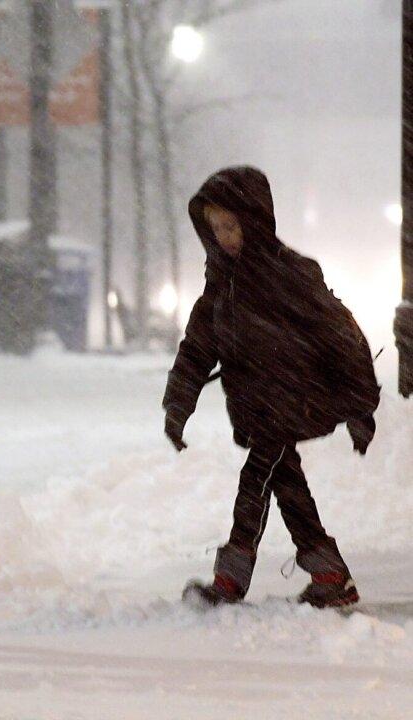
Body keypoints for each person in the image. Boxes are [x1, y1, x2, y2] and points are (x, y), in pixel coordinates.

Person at [163, 165, 380, 609]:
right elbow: (197, 348)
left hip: (295, 400)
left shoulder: (291, 275)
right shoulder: (220, 286)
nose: (223, 236)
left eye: (231, 225)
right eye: (215, 227)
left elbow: (343, 337)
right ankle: (329, 574)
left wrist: (359, 405)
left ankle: (230, 579)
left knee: (256, 481)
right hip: (259, 407)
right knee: (287, 486)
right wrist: (178, 403)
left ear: (254, 221)